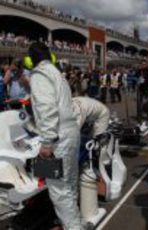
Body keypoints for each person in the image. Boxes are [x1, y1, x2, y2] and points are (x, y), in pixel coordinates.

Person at [28, 41, 82, 230]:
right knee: (69, 183)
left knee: (59, 190)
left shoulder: (39, 74)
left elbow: (46, 108)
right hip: (71, 131)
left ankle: (74, 227)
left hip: (57, 135)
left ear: (31, 60)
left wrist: (47, 141)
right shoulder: (57, 73)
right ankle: (71, 221)